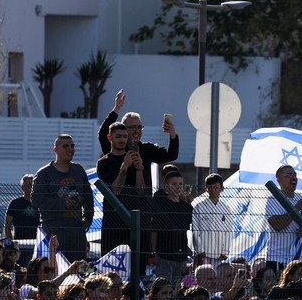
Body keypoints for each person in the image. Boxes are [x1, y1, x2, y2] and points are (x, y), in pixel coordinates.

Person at [32, 134, 94, 259]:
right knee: (55, 271)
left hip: (76, 232)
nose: (70, 149)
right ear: (55, 150)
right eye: (65, 146)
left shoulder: (78, 170)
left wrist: (88, 217)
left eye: (72, 146)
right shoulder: (44, 173)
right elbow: (36, 200)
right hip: (54, 231)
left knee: (78, 271)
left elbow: (88, 195)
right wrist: (62, 203)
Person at [96, 121, 147, 254]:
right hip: (113, 224)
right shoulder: (104, 163)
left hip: (133, 223)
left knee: (136, 267)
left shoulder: (133, 157)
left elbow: (141, 190)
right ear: (110, 138)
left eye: (125, 136)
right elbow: (115, 190)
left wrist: (139, 169)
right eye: (118, 136)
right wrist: (124, 167)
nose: (122, 140)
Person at [150, 170, 193, 288]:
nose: (178, 187)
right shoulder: (161, 204)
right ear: (166, 186)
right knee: (163, 287)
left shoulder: (185, 206)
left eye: (180, 184)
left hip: (181, 255)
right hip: (165, 254)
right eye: (174, 184)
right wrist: (154, 252)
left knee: (176, 288)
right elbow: (155, 230)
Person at [266, 165, 302, 273]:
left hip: (298, 259)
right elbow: (277, 226)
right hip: (278, 258)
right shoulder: (273, 200)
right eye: (289, 175)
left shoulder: (300, 199)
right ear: (279, 179)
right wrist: (296, 208)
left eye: (295, 174)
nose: (293, 177)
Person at [192, 174, 232, 267]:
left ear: (222, 188)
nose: (213, 190)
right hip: (202, 255)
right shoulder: (199, 207)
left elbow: (229, 231)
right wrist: (199, 250)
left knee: (216, 279)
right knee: (201, 278)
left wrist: (225, 251)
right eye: (210, 187)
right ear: (206, 189)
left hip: (218, 255)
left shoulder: (226, 208)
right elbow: (195, 230)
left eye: (216, 187)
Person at [4, 174, 40, 246]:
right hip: (20, 242)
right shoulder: (15, 203)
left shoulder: (40, 202)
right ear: (22, 187)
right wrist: (11, 243)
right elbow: (7, 226)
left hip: (38, 242)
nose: (31, 187)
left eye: (33, 185)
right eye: (29, 184)